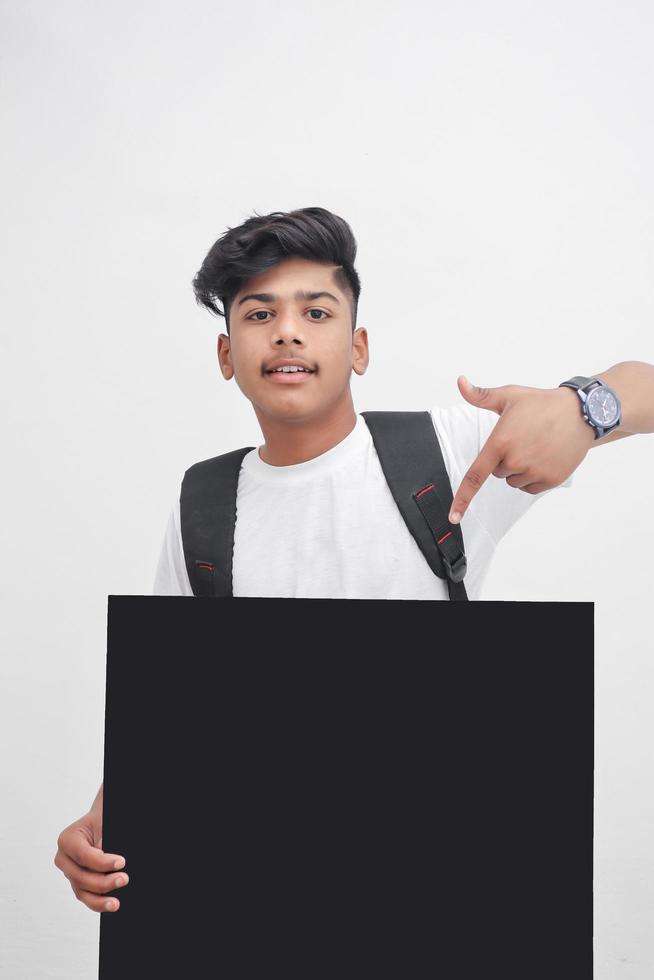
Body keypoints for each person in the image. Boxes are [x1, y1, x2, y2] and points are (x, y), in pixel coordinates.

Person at [54, 206, 654, 912]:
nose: (287, 331)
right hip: (266, 900)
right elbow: (167, 715)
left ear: (359, 347)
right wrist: (101, 827)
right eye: (257, 315)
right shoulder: (202, 504)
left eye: (316, 311)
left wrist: (587, 409)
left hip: (439, 890)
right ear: (226, 356)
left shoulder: (446, 453)